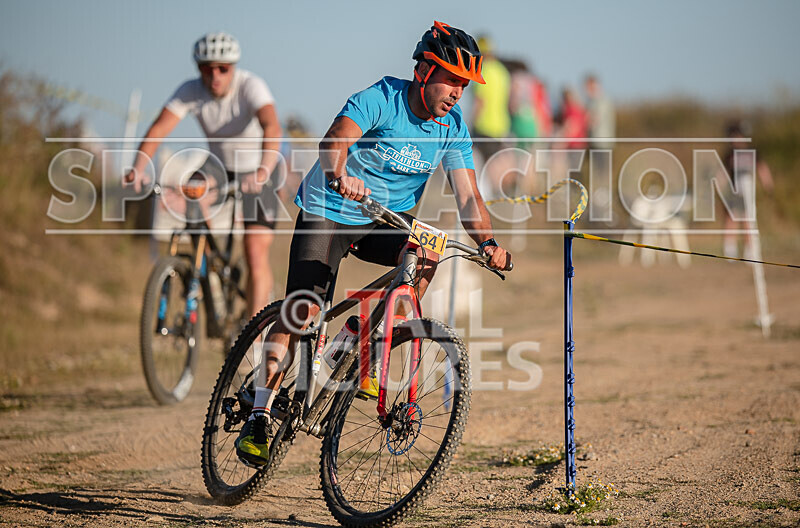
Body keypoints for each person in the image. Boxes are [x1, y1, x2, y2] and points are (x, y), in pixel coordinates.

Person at [234, 21, 513, 467]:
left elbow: (468, 196)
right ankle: (260, 414)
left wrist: (489, 242)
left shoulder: (453, 127)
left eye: (465, 85)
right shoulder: (382, 98)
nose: (458, 92)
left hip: (383, 220)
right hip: (330, 209)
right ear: (424, 71)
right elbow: (335, 140)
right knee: (303, 309)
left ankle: (372, 342)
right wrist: (339, 174)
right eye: (451, 80)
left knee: (428, 248)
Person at [125, 32, 283, 318]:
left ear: (233, 67)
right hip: (218, 166)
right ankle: (210, 268)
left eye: (223, 69)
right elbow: (159, 128)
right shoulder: (191, 90)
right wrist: (138, 167)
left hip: (259, 167)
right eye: (207, 69)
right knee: (191, 189)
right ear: (198, 69)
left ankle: (256, 333)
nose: (215, 76)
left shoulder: (251, 85)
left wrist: (262, 171)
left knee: (255, 251)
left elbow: (271, 126)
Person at [719, 120, 773, 258]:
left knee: (747, 220)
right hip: (734, 192)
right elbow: (723, 173)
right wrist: (718, 187)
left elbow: (762, 168)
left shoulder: (752, 152)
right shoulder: (730, 154)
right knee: (731, 218)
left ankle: (749, 251)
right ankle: (730, 251)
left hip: (748, 192)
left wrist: (768, 185)